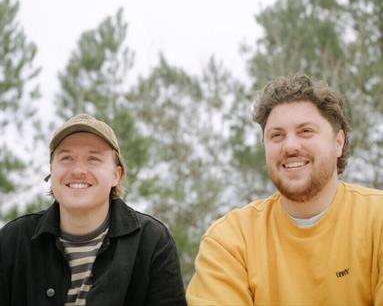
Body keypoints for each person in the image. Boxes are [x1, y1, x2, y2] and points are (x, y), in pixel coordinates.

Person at [186, 74, 383, 305]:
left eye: (306, 131)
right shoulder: (230, 240)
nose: (290, 146)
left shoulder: (377, 220)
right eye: (277, 135)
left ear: (338, 142)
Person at [0, 113, 186, 306]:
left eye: (93, 159)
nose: (78, 170)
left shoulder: (152, 241)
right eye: (66, 158)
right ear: (52, 170)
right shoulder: (12, 240)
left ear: (116, 175)